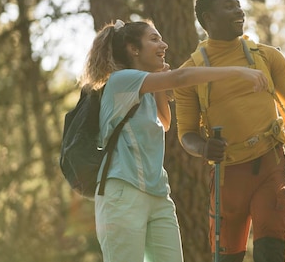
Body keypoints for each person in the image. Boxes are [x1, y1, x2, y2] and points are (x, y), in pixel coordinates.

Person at [78, 18, 268, 262]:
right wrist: (238, 72)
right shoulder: (121, 81)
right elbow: (180, 78)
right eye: (154, 39)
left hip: (157, 195)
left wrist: (158, 79)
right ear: (133, 49)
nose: (164, 45)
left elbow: (164, 122)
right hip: (123, 193)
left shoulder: (144, 88)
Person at [174, 0, 285, 262]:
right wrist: (205, 148)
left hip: (271, 165)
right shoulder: (191, 73)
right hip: (228, 176)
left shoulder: (267, 56)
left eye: (238, 5)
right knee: (228, 257)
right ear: (208, 18)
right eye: (229, 7)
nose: (239, 11)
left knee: (270, 252)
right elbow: (187, 135)